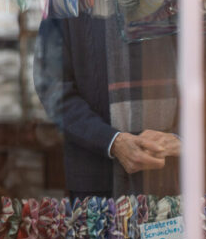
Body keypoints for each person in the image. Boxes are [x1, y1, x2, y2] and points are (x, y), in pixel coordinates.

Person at [34, 12, 181, 200]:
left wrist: (180, 137)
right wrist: (112, 141)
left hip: (175, 175)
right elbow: (51, 83)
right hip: (96, 178)